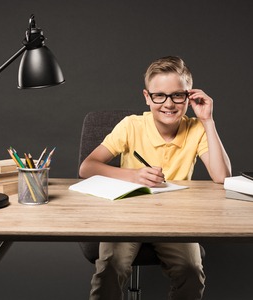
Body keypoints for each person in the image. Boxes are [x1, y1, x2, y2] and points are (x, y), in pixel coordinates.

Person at [79, 56, 231, 300]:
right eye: (159, 95)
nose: (168, 104)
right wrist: (133, 175)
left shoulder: (196, 129)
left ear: (189, 96)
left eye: (177, 95)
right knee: (110, 268)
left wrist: (207, 120)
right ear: (147, 97)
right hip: (127, 215)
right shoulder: (131, 126)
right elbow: (87, 167)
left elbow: (222, 176)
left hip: (176, 219)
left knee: (191, 272)